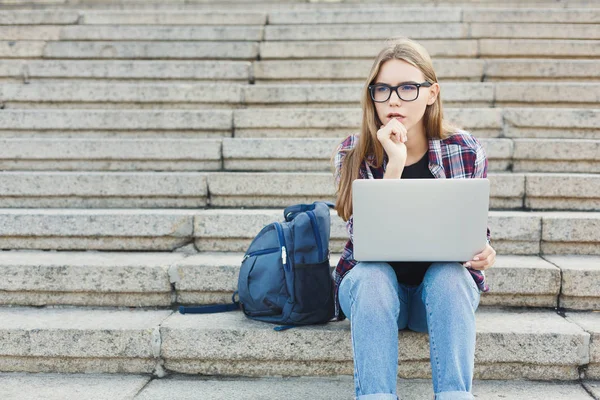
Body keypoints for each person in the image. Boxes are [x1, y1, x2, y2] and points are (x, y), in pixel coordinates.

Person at [331, 37, 497, 400]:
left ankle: (455, 395)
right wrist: (394, 164)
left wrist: (484, 252)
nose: (392, 99)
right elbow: (366, 241)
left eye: (407, 87)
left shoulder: (465, 150)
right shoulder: (352, 152)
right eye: (382, 89)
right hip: (371, 293)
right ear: (371, 95)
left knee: (451, 276)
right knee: (372, 276)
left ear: (431, 93)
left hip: (434, 297)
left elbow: (474, 232)